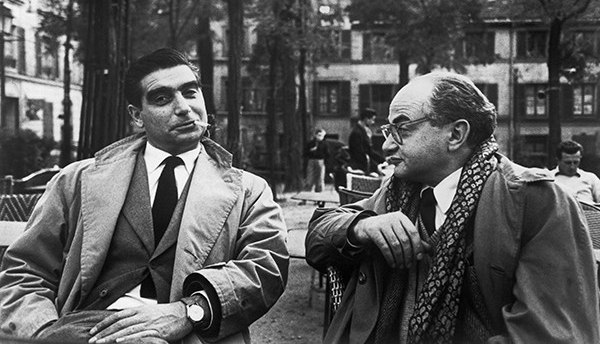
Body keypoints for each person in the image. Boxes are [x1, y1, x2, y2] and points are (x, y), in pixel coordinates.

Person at [0, 48, 289, 344]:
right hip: (84, 331)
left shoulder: (249, 191)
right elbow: (25, 271)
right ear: (137, 116)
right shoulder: (76, 180)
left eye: (190, 92)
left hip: (192, 333)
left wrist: (191, 311)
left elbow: (265, 269)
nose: (184, 108)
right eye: (162, 98)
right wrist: (49, 332)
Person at [305, 72, 599, 343]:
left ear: (456, 135)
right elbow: (317, 237)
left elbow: (549, 335)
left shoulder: (537, 202)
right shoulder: (397, 192)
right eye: (387, 131)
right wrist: (361, 226)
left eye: (402, 128)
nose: (386, 147)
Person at [552, 139, 600, 205]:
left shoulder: (590, 178)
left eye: (576, 162)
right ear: (557, 160)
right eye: (568, 163)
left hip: (588, 213)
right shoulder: (549, 178)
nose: (572, 167)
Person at [348, 108, 384, 175]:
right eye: (372, 120)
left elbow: (369, 151)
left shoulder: (364, 131)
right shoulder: (357, 133)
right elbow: (359, 154)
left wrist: (383, 160)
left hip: (365, 164)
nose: (373, 122)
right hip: (359, 167)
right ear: (366, 119)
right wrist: (375, 166)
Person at [304, 128, 328, 192]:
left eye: (322, 136)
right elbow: (305, 153)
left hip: (320, 160)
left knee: (320, 179)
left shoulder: (324, 144)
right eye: (319, 135)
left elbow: (327, 154)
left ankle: (319, 193)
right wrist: (310, 151)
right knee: (310, 178)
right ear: (315, 135)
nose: (320, 137)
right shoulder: (310, 143)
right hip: (311, 160)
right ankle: (308, 192)